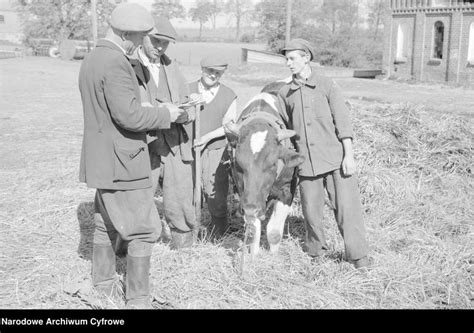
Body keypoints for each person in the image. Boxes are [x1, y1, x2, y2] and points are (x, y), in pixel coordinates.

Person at [78, 3, 187, 308]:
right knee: (144, 228)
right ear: (125, 32)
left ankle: (103, 287)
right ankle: (138, 300)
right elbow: (130, 117)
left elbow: (110, 115)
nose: (141, 43)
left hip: (102, 160)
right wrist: (167, 113)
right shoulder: (116, 63)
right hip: (125, 162)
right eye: (139, 37)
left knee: (106, 224)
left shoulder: (92, 59)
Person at [276, 39, 370, 269]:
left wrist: (349, 156)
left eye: (292, 58)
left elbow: (343, 123)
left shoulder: (327, 85)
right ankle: (316, 255)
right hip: (307, 165)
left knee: (347, 211)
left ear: (306, 57)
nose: (288, 63)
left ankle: (359, 258)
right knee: (311, 213)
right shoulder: (285, 93)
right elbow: (281, 127)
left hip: (336, 161)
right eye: (286, 59)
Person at [130, 18, 197, 249]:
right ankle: (130, 247)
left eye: (165, 43)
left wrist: (184, 114)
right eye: (156, 41)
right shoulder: (127, 66)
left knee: (180, 196)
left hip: (174, 144)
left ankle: (183, 245)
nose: (160, 47)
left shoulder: (172, 67)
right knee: (138, 197)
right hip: (142, 145)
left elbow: (190, 107)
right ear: (143, 36)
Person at [189, 55, 237, 238]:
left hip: (216, 150)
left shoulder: (228, 94)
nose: (213, 75)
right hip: (190, 148)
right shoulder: (187, 90)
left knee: (215, 192)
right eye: (210, 71)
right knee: (190, 190)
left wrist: (207, 137)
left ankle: (219, 234)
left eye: (218, 73)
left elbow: (229, 125)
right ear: (202, 69)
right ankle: (190, 230)